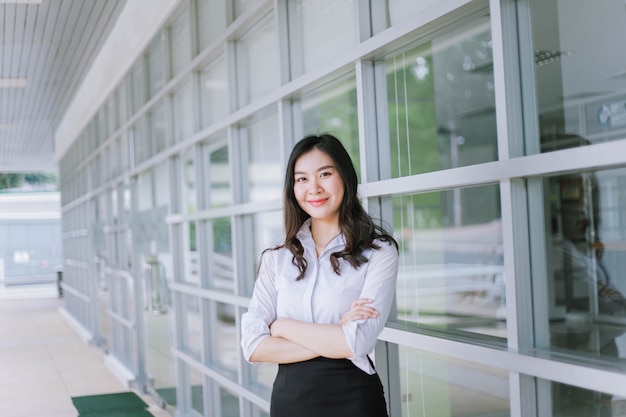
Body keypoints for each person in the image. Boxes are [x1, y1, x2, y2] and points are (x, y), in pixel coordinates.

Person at [240, 133, 399, 417]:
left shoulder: (378, 252)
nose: (314, 187)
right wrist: (336, 334)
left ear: (345, 177)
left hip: (354, 399)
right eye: (302, 179)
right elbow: (252, 346)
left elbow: (357, 341)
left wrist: (282, 326)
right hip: (290, 402)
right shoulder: (276, 258)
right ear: (293, 188)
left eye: (324, 174)